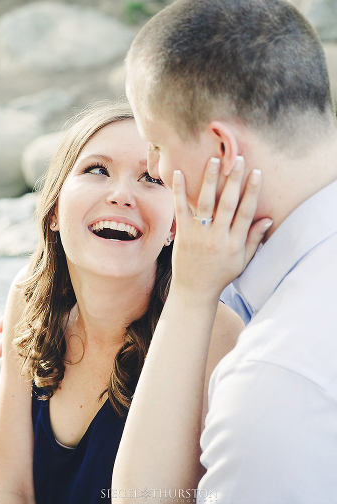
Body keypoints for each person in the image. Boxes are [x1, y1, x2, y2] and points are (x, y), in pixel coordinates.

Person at [111, 0, 337, 501]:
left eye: (156, 145)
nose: (153, 167)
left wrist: (191, 295)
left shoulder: (274, 383)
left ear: (221, 151)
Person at [0, 101, 251, 503]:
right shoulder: (28, 298)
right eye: (97, 170)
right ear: (55, 208)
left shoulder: (213, 333)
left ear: (174, 226)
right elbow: (11, 492)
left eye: (151, 178)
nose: (122, 195)